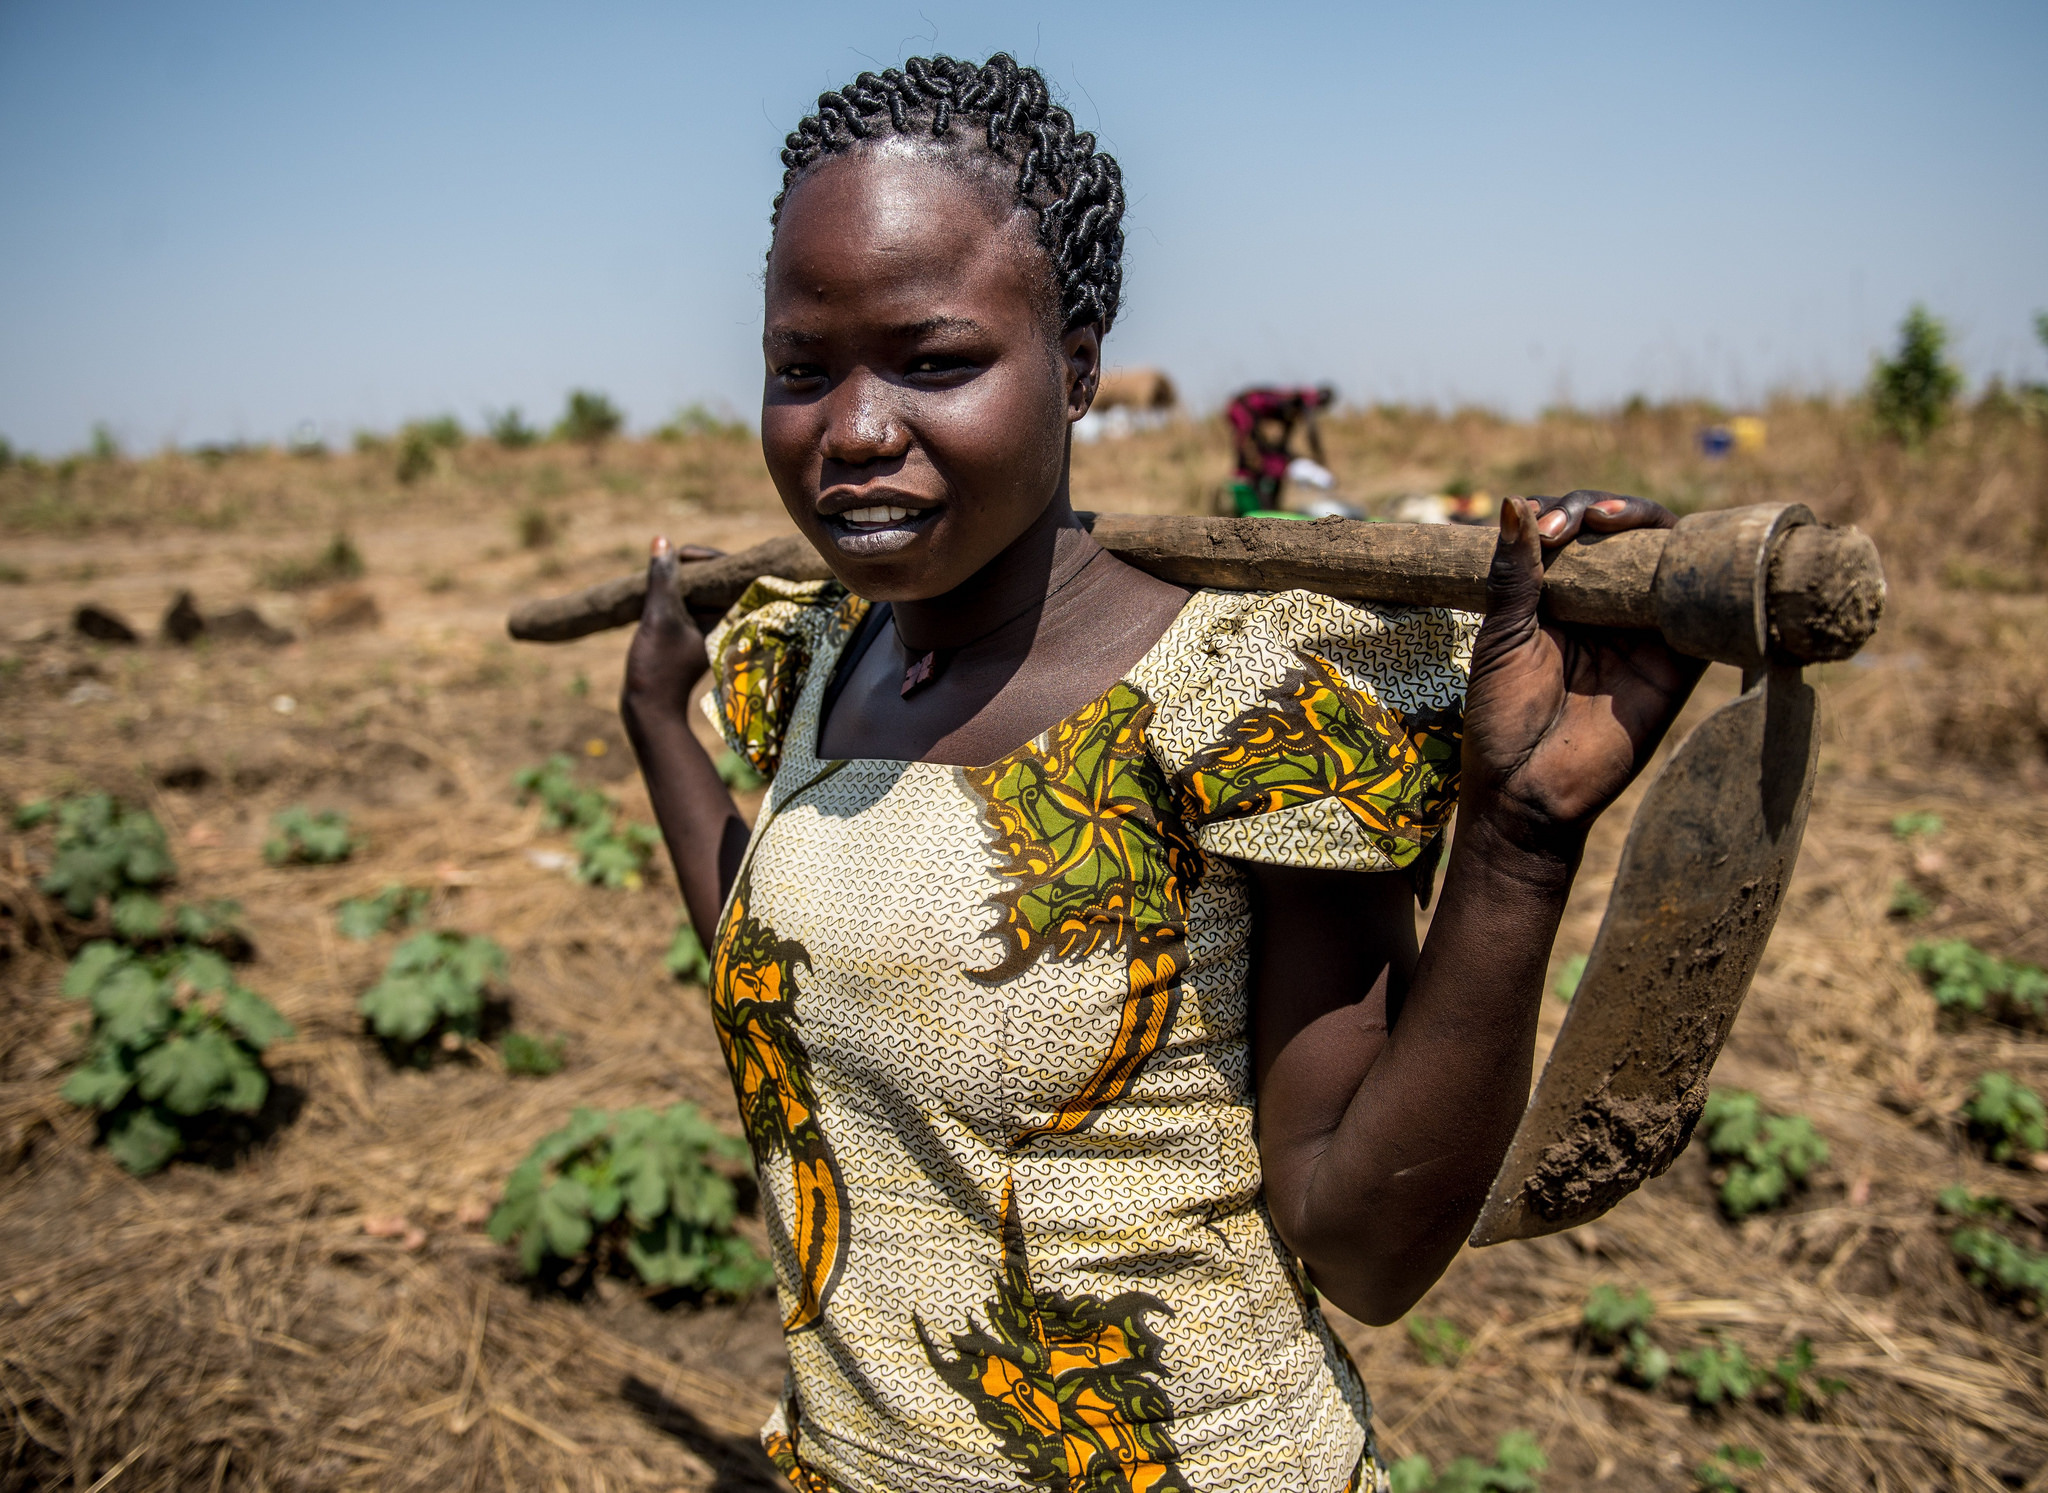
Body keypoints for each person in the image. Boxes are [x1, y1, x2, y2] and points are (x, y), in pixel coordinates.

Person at [620, 52, 1698, 1493]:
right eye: (803, 371)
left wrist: (1520, 840)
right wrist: (657, 726)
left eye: (935, 362)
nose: (855, 432)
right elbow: (794, 986)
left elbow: (1363, 1240)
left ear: (1075, 369)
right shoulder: (816, 660)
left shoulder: (1249, 701)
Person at [1225, 383, 1336, 514]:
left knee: (1275, 464)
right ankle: (1257, 509)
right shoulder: (1306, 400)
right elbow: (1311, 434)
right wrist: (1319, 456)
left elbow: (1283, 436)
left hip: (1247, 413)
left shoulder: (1292, 402)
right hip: (1241, 409)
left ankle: (1267, 508)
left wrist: (1284, 453)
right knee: (1255, 462)